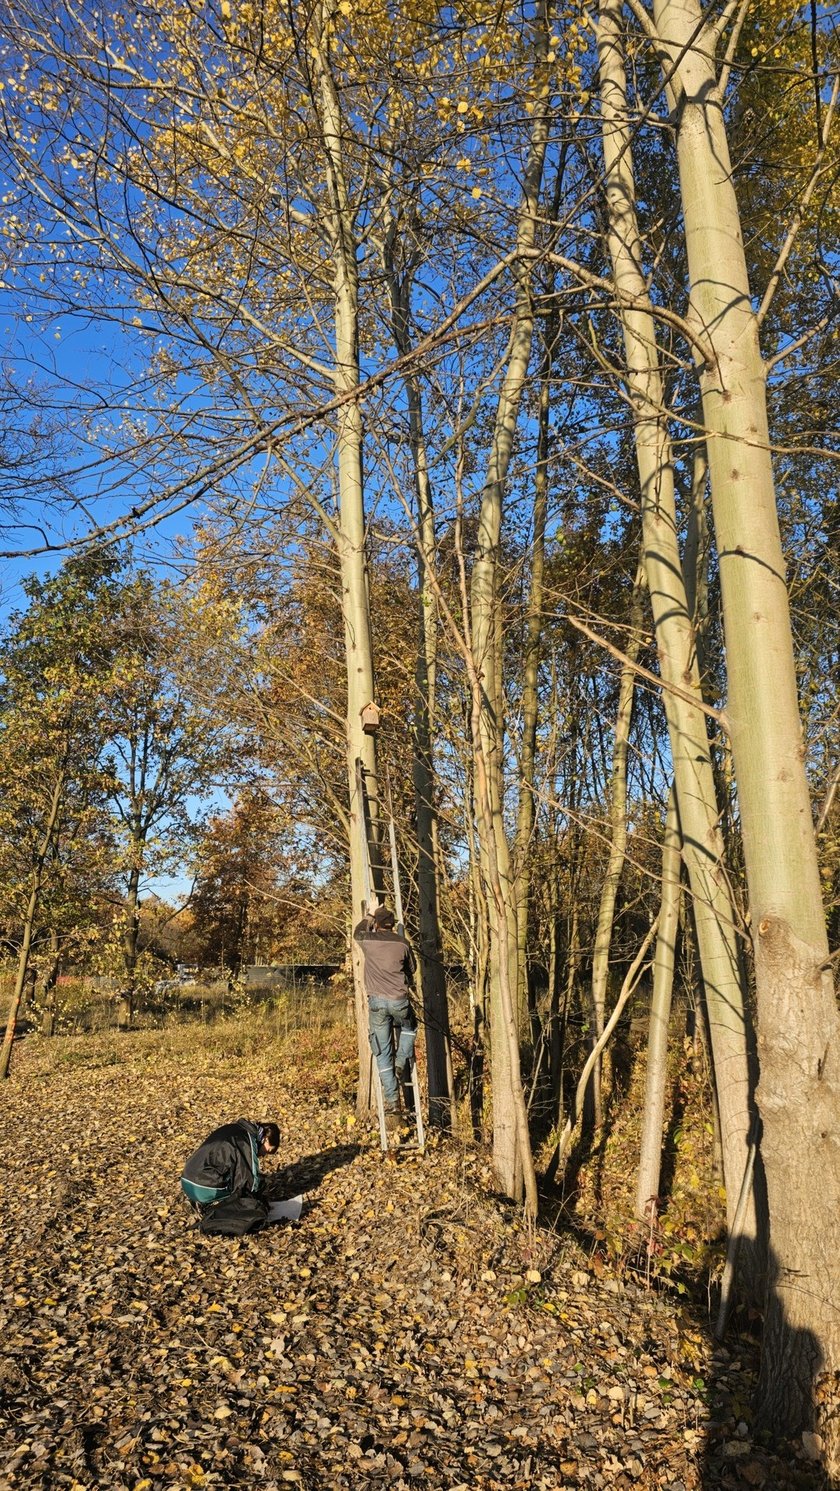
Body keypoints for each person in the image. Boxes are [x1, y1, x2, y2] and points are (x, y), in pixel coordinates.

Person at [353, 905, 417, 1130]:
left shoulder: (369, 940)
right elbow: (412, 969)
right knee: (410, 1027)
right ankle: (401, 1063)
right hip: (400, 1001)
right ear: (393, 924)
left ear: (377, 924)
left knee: (381, 1052)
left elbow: (357, 933)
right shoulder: (403, 943)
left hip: (377, 1004)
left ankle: (392, 1101)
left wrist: (368, 915)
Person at [180, 1119, 280, 1228]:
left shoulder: (234, 1128)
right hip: (201, 1187)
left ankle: (201, 1201)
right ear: (265, 1139)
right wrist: (257, 1203)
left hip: (187, 1178)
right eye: (268, 1151)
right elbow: (247, 1182)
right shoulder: (246, 1141)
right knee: (239, 1195)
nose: (264, 1155)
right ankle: (210, 1206)